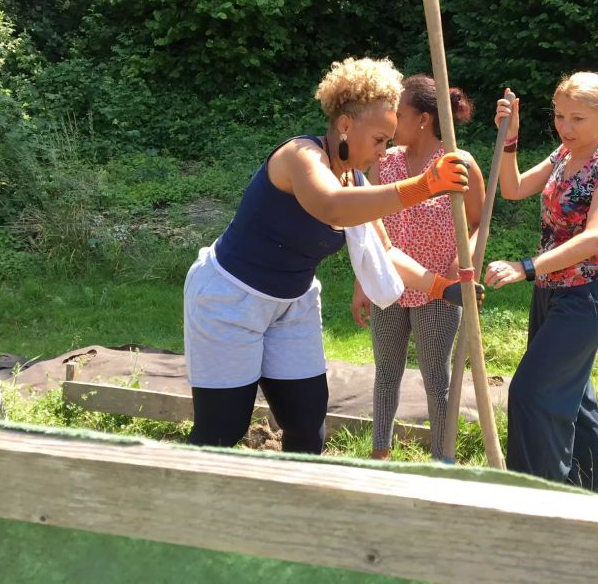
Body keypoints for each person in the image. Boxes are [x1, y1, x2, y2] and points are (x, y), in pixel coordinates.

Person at [183, 57, 480, 454]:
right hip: (232, 298)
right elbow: (332, 207)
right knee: (224, 427)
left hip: (292, 304)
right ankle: (184, 504)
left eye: (388, 142)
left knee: (308, 423)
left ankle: (300, 510)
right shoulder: (299, 157)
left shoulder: (353, 179)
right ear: (345, 124)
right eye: (378, 140)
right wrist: (425, 185)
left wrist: (444, 288)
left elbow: (384, 252)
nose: (383, 152)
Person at [483, 72, 598, 492]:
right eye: (560, 117)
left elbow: (594, 237)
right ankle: (584, 496)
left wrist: (527, 266)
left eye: (577, 119)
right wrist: (510, 137)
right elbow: (511, 188)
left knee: (531, 394)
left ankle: (538, 499)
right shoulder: (564, 154)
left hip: (585, 299)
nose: (566, 127)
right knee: (575, 399)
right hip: (551, 295)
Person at [352, 75, 485, 461]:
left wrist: (462, 263)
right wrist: (363, 283)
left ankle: (443, 459)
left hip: (439, 290)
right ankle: (380, 455)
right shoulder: (385, 163)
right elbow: (369, 230)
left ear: (424, 119)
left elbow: (478, 223)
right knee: (386, 373)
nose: (393, 122)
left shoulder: (457, 164)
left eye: (401, 113)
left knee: (436, 379)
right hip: (390, 285)